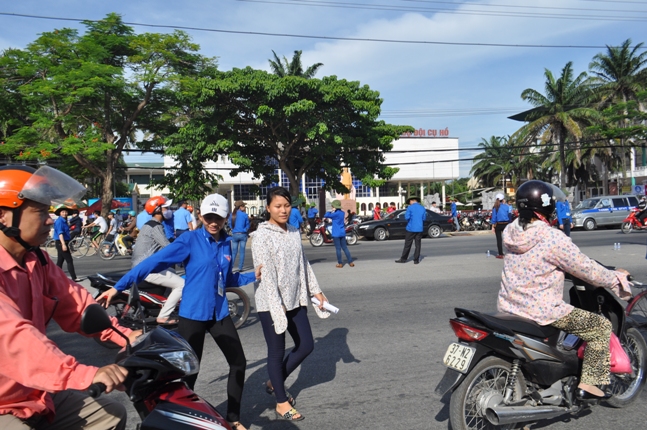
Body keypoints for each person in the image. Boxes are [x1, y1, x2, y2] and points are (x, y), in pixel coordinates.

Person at [99, 193, 258, 430]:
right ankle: (181, 422)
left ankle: (233, 419)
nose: (214, 222)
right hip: (193, 313)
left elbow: (228, 277)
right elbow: (151, 263)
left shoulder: (225, 242)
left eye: (219, 218)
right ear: (201, 216)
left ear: (227, 218)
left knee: (239, 363)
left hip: (219, 313)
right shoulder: (189, 240)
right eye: (209, 217)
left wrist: (254, 274)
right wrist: (118, 287)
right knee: (188, 371)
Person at [0, 165, 140, 430]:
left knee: (110, 415)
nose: (50, 219)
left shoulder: (36, 260)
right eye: (40, 211)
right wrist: (84, 374)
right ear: (4, 216)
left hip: (35, 392)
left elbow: (77, 304)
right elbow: (13, 339)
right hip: (4, 403)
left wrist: (126, 336)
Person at [498, 180, 632, 400]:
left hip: (509, 306)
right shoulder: (552, 238)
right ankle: (590, 384)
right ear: (547, 207)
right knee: (599, 326)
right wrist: (616, 278)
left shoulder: (512, 232)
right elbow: (586, 269)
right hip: (543, 311)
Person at [251, 186, 330, 422]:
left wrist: (316, 291)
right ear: (268, 208)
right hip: (271, 302)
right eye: (278, 206)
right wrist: (278, 305)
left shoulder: (294, 231)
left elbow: (303, 264)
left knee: (306, 344)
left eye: (287, 205)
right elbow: (267, 275)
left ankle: (274, 381)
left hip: (295, 299)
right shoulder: (261, 235)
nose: (283, 210)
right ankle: (281, 402)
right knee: (276, 352)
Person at [395, 196, 427, 265]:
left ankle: (403, 259)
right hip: (419, 229)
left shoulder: (410, 207)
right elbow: (424, 218)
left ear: (412, 201)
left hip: (411, 228)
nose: (409, 203)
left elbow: (407, 217)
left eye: (409, 202)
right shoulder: (422, 208)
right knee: (418, 245)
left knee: (407, 244)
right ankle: (416, 260)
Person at [324, 200, 355, 268]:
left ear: (334, 206)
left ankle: (340, 263)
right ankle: (350, 262)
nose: (332, 207)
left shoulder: (334, 214)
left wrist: (331, 211)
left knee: (338, 249)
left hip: (336, 233)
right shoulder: (342, 213)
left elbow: (326, 215)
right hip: (342, 232)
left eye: (332, 206)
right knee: (345, 248)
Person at [53, 207, 79, 282]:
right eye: (63, 212)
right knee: (69, 260)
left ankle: (55, 277)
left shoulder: (64, 221)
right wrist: (63, 244)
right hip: (61, 242)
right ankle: (74, 278)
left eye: (66, 212)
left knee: (60, 261)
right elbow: (60, 233)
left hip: (63, 242)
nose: (64, 213)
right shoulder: (59, 221)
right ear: (60, 213)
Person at [230, 200, 250, 272]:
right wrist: (245, 230)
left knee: (234, 252)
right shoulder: (245, 215)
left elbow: (229, 224)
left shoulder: (232, 215)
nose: (244, 207)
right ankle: (240, 267)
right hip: (243, 234)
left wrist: (233, 229)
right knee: (242, 252)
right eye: (243, 206)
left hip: (235, 234)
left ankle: (231, 267)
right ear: (240, 207)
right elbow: (248, 225)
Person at [491, 193, 511, 259]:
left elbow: (493, 218)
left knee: (499, 240)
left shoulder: (495, 207)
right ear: (503, 200)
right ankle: (510, 252)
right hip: (506, 224)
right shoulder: (506, 207)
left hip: (498, 225)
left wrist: (493, 226)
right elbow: (509, 216)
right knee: (507, 239)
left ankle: (500, 254)